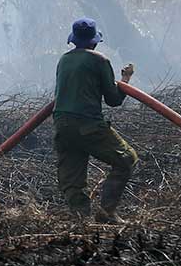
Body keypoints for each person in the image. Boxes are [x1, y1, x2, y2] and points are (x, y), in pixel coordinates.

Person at [53, 17, 138, 223]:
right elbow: (114, 100)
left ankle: (81, 222)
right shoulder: (100, 61)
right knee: (127, 159)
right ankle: (107, 212)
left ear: (73, 40)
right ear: (94, 40)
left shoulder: (64, 60)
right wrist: (125, 78)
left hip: (62, 125)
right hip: (88, 125)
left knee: (73, 177)